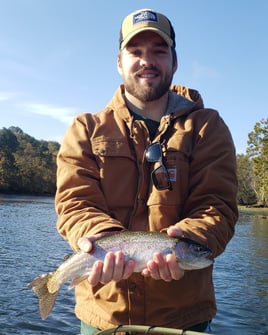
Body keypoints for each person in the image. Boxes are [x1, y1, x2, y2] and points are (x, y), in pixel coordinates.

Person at [55, 8, 238, 334]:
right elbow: (74, 204)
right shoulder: (84, 129)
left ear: (174, 62)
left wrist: (190, 240)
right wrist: (103, 239)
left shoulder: (207, 128)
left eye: (158, 51)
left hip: (185, 318)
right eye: (135, 51)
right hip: (103, 317)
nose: (146, 60)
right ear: (119, 62)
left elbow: (218, 206)